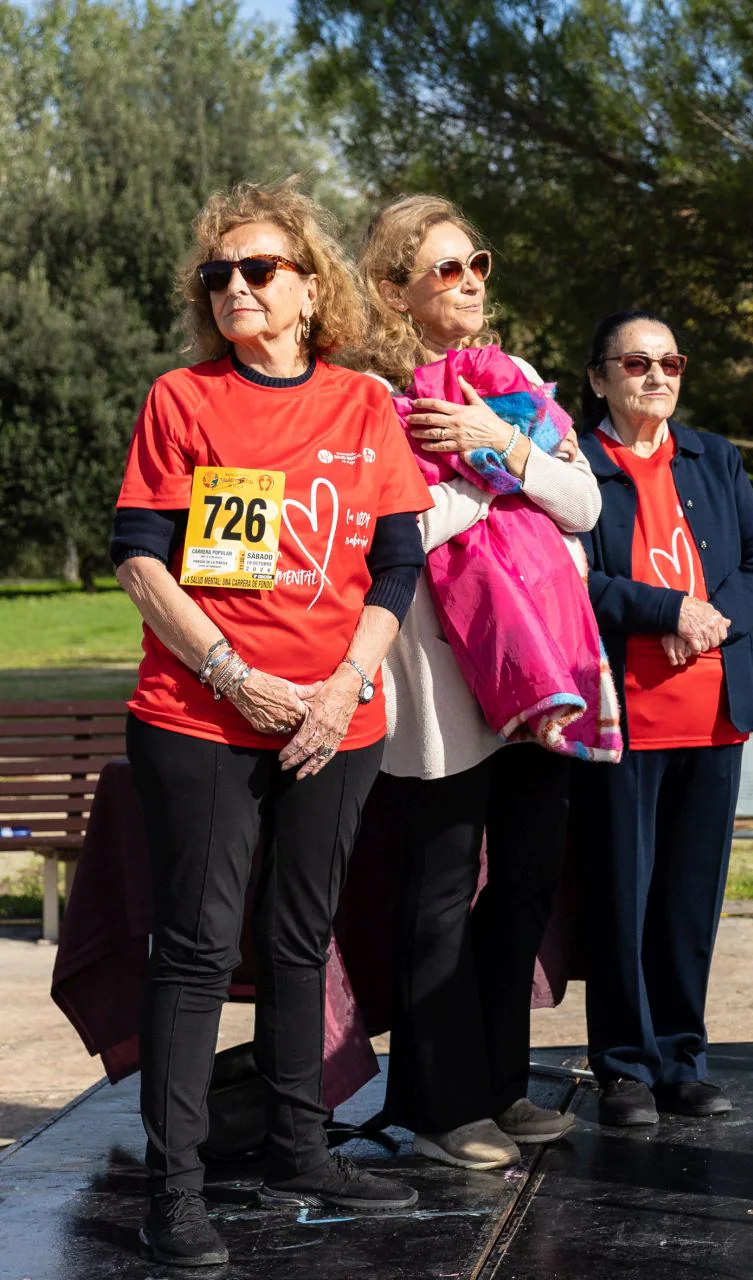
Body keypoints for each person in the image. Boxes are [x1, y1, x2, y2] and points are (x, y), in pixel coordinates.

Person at [110, 179, 431, 1267]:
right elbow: (142, 557)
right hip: (200, 716)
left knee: (303, 938)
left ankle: (302, 1145)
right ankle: (176, 1188)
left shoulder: (362, 404)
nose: (236, 287)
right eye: (220, 275)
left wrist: (344, 687)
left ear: (309, 286)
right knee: (197, 950)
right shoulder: (183, 399)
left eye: (259, 270)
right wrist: (231, 672)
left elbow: (399, 561)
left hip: (338, 717)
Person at [356, 195, 605, 1170]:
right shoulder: (375, 400)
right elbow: (398, 534)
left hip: (534, 667)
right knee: (440, 890)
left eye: (476, 264)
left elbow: (583, 501)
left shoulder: (511, 382)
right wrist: (486, 473)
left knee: (528, 880)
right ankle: (436, 1105)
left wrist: (498, 442)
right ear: (394, 290)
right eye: (444, 268)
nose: (468, 283)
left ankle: (500, 1082)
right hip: (440, 676)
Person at [575, 309, 753, 1124]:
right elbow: (574, 581)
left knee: (690, 902)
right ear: (599, 379)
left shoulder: (715, 457)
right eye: (635, 363)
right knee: (622, 899)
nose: (656, 376)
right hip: (622, 720)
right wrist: (666, 612)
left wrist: (711, 621)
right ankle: (624, 1068)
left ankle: (682, 1059)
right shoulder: (577, 468)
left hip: (716, 715)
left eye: (669, 362)